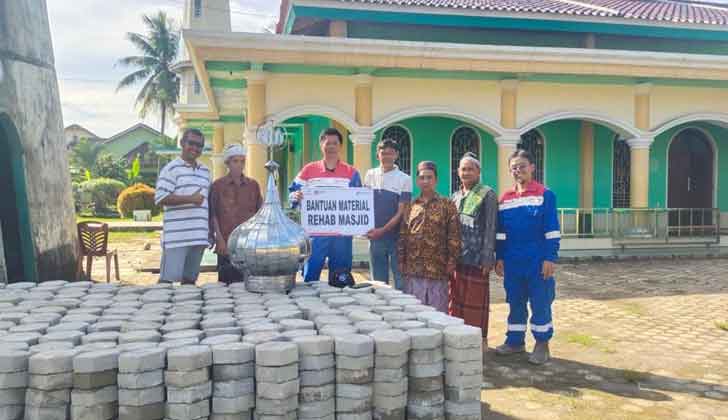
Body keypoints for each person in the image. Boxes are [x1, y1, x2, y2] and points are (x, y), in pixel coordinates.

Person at [494, 149, 560, 365]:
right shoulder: (505, 198)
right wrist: (500, 257)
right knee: (515, 302)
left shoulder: (544, 194)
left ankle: (542, 344)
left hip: (537, 260)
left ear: (532, 167)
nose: (518, 170)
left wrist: (550, 258)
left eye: (522, 166)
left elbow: (551, 230)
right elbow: (501, 233)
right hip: (513, 261)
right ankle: (515, 342)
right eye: (514, 167)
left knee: (540, 302)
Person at [288, 127, 362, 282]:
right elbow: (292, 194)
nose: (331, 146)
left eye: (335, 143)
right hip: (316, 233)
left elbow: (359, 203)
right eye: (328, 143)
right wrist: (295, 196)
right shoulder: (308, 170)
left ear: (340, 146)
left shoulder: (352, 173)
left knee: (341, 279)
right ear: (321, 145)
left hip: (342, 234)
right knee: (311, 276)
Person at [449, 152, 498, 350]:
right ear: (458, 172)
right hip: (458, 257)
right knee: (457, 300)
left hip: (477, 258)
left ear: (478, 172)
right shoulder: (456, 195)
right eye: (463, 169)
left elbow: (491, 226)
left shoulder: (487, 194)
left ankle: (480, 340)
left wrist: (488, 257)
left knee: (476, 301)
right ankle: (460, 337)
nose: (466, 172)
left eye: (470, 169)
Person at [398, 161, 461, 312]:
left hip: (438, 268)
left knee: (438, 313)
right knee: (415, 313)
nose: (425, 181)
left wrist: (452, 261)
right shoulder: (411, 206)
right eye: (422, 178)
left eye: (429, 177)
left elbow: (454, 234)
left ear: (436, 180)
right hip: (414, 269)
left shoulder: (447, 205)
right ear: (417, 181)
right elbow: (403, 235)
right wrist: (401, 260)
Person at [154, 128, 211, 285]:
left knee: (190, 282)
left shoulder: (205, 171)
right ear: (182, 143)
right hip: (177, 238)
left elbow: (207, 202)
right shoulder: (171, 169)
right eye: (191, 143)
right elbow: (160, 198)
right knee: (167, 281)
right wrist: (190, 199)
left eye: (199, 145)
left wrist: (208, 232)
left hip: (198, 236)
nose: (195, 148)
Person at [209, 143, 263, 284]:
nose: (239, 165)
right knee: (226, 285)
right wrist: (219, 239)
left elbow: (260, 214)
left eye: (242, 161)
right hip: (226, 243)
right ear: (227, 163)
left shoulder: (253, 186)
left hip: (248, 244)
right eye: (235, 161)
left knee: (248, 284)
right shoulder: (218, 186)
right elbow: (213, 214)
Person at [364, 139, 412, 290]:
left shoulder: (405, 179)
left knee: (400, 280)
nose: (386, 156)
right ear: (377, 155)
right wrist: (364, 228)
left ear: (396, 155)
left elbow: (401, 211)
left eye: (390, 153)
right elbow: (363, 205)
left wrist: (382, 230)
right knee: (378, 282)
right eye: (383, 153)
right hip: (375, 237)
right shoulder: (370, 175)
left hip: (396, 238)